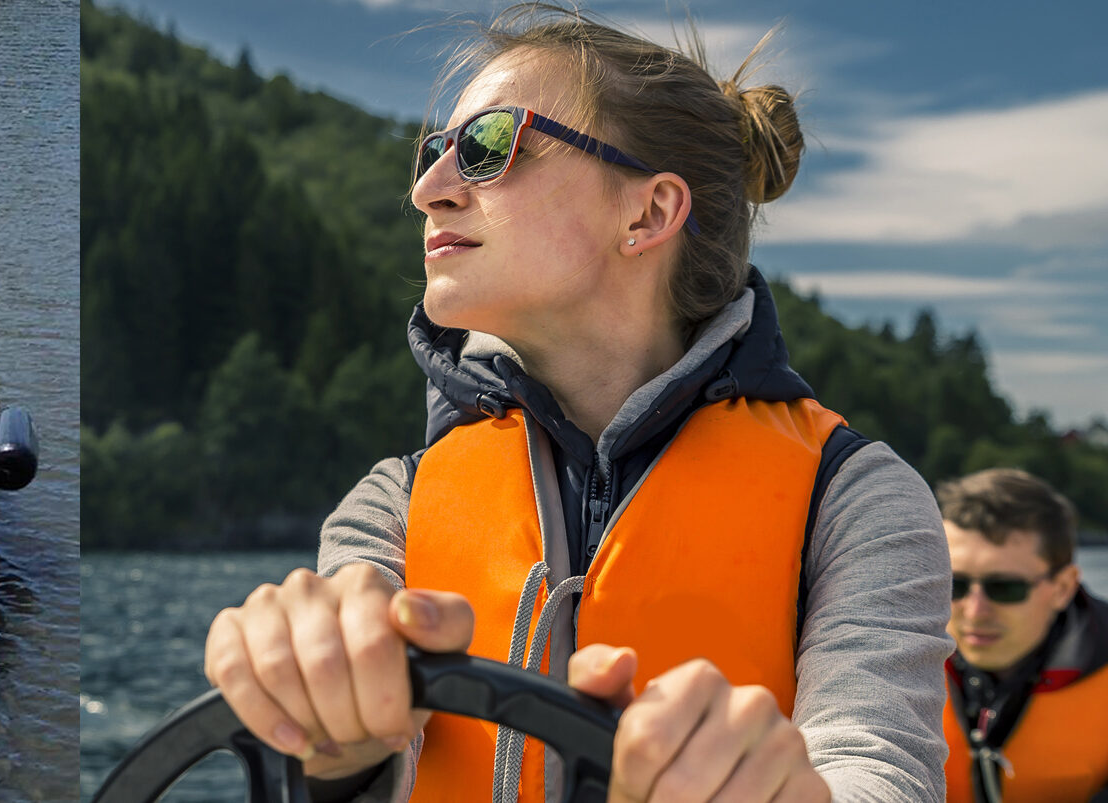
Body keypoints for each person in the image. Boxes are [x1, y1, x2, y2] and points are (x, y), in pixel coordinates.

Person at [200, 6, 954, 801]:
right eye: (432, 153)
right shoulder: (391, 502)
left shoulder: (859, 498)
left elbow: (878, 770)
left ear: (649, 211)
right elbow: (349, 776)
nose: (429, 190)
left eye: (487, 147)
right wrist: (331, 734)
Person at [937, 469, 1108, 802]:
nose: (974, 611)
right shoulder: (887, 664)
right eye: (953, 584)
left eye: (1005, 588)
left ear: (1063, 588)